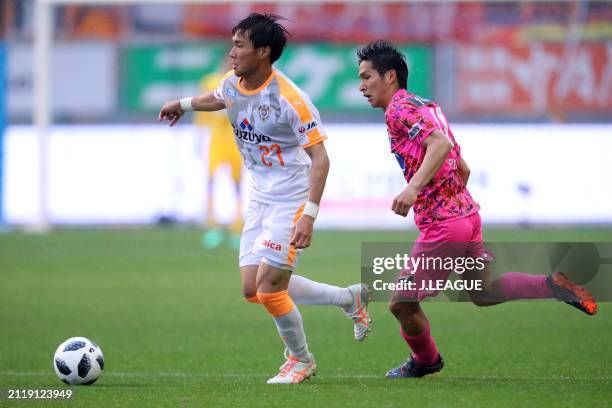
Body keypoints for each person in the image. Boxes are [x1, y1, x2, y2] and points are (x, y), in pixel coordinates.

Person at [356, 40, 597, 379]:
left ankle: (426, 361)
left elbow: (439, 145)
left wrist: (414, 190)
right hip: (467, 217)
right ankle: (551, 284)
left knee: (401, 302)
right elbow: (461, 166)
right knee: (482, 292)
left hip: (445, 225)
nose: (361, 86)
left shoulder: (399, 109)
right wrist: (451, 202)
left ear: (390, 76)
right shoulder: (427, 105)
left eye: (367, 77)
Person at [159, 13, 371, 384]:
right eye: (232, 44)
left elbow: (321, 158)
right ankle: (349, 299)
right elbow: (217, 98)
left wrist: (309, 214)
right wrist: (183, 103)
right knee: (252, 289)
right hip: (259, 197)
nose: (231, 53)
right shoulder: (233, 83)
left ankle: (301, 360)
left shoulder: (291, 99)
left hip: (291, 200)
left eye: (239, 45)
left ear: (263, 52)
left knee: (270, 286)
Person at [195, 65, 243, 249]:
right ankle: (212, 227)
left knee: (237, 185)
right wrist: (198, 136)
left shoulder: (241, 82)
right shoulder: (210, 81)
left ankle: (236, 228)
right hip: (216, 140)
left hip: (235, 140)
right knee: (211, 181)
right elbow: (202, 109)